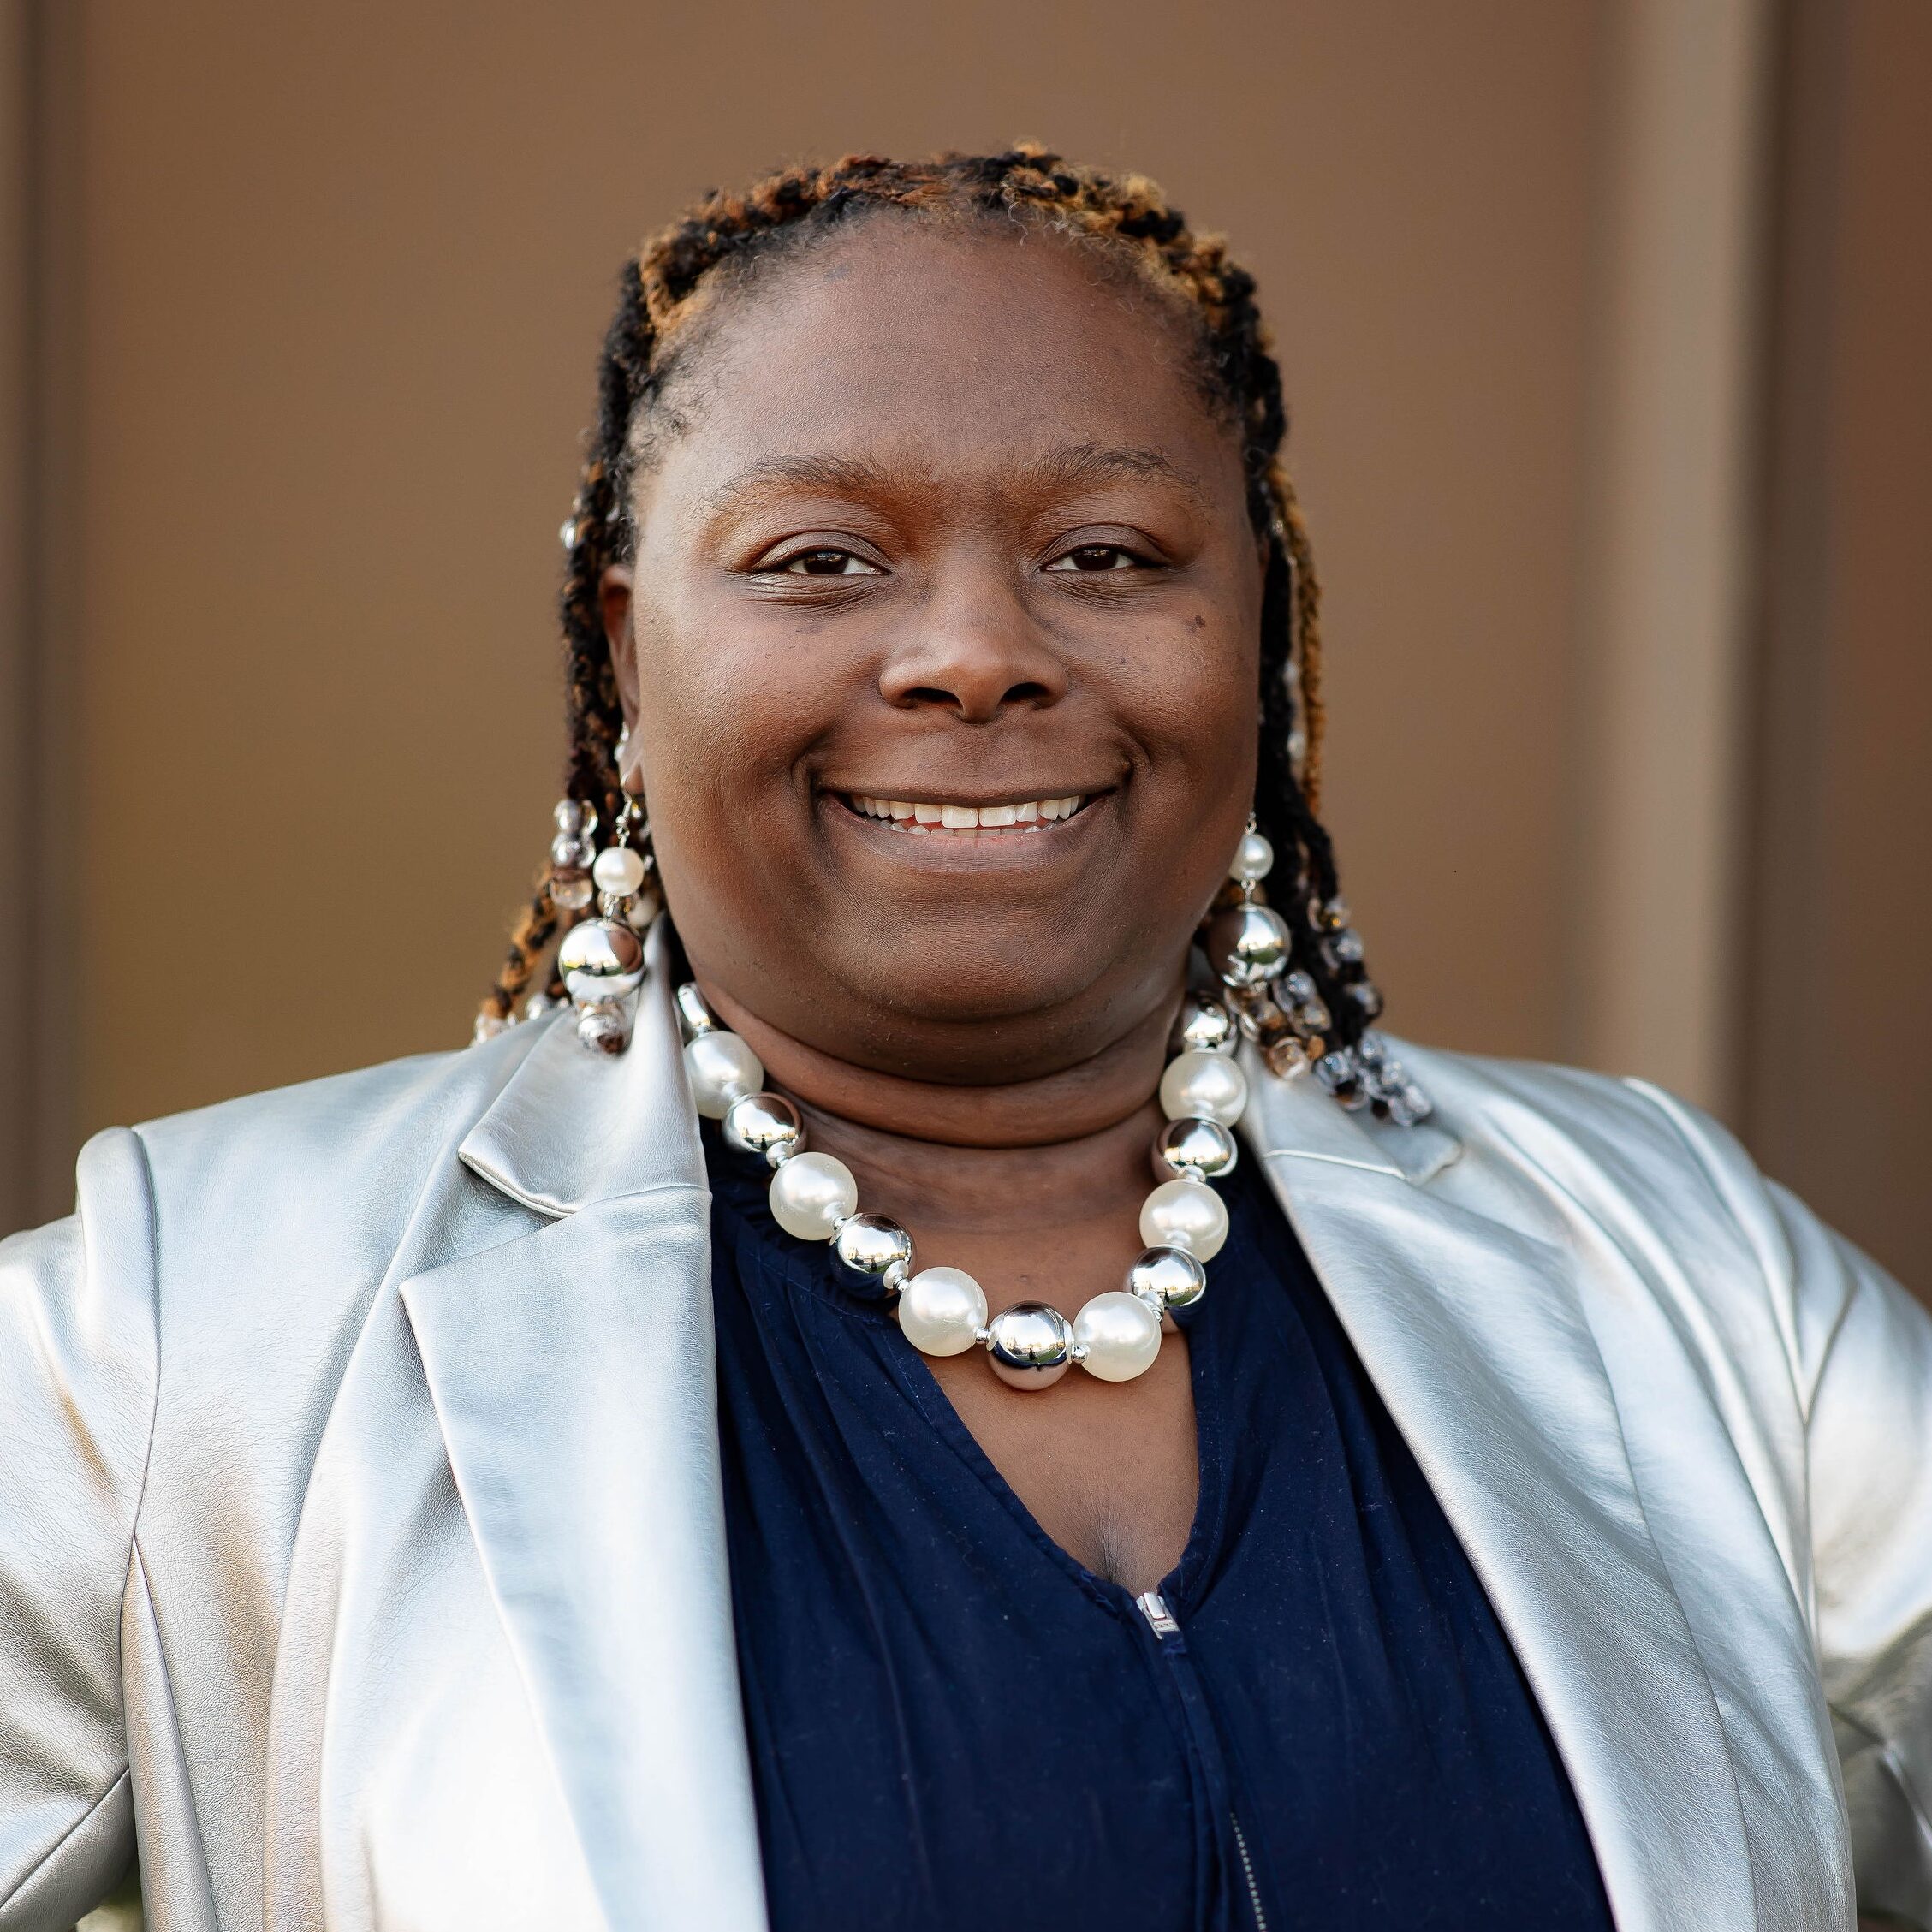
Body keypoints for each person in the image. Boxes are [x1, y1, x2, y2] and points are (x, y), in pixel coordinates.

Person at [1, 146, 1927, 1932]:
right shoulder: (191, 1326)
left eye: (1106, 554)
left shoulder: (1672, 1251)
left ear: (1256, 629)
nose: (972, 651)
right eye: (822, 559)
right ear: (623, 647)